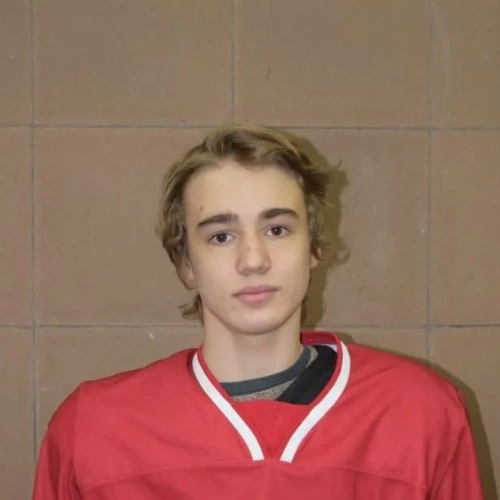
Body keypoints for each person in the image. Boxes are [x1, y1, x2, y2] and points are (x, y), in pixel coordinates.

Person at [33, 123, 484, 499]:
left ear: (313, 247)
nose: (253, 260)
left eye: (277, 229)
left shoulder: (421, 414)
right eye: (221, 236)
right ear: (186, 263)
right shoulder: (94, 430)